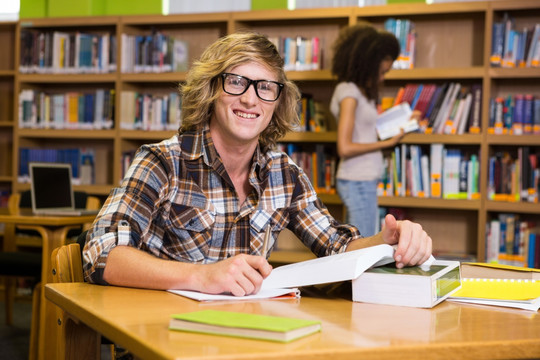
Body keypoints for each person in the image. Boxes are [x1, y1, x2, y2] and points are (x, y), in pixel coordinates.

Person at [83, 31, 432, 297]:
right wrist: (201, 275)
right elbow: (100, 254)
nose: (251, 98)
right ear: (210, 89)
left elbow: (336, 246)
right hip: (163, 335)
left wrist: (389, 240)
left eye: (265, 87)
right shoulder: (162, 162)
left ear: (277, 101)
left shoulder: (285, 174)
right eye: (236, 82)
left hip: (248, 335)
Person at [330, 23, 415, 237]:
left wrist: (404, 120)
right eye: (383, 71)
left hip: (363, 180)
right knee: (362, 244)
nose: (383, 77)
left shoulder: (359, 91)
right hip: (356, 180)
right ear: (371, 63)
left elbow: (366, 131)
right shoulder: (349, 93)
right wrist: (387, 143)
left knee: (362, 241)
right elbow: (345, 147)